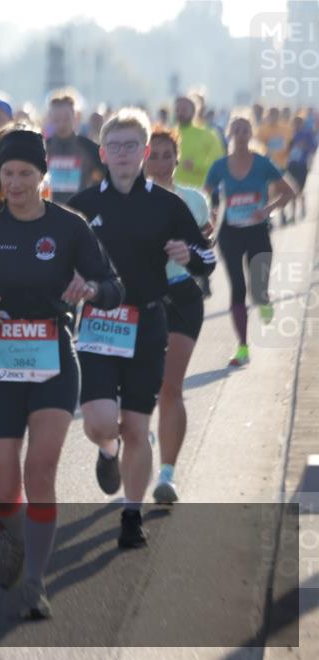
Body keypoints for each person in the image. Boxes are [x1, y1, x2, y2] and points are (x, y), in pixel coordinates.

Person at [0, 125, 124, 618]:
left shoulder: (69, 227)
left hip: (53, 361)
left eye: (26, 173)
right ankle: (7, 529)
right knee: (4, 487)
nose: (16, 182)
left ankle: (37, 583)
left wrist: (91, 290)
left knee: (39, 471)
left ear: (42, 176)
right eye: (8, 173)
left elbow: (113, 286)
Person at [68, 109, 215, 549]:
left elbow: (207, 258)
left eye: (133, 146)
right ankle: (106, 451)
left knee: (135, 425)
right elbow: (56, 260)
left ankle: (131, 516)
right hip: (97, 322)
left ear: (146, 152)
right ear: (103, 153)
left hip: (148, 320)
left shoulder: (167, 205)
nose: (124, 154)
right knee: (99, 422)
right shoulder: (84, 205)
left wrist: (189, 254)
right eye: (115, 146)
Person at [143, 127, 212, 504]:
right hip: (140, 298)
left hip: (183, 296)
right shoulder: (126, 202)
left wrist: (195, 252)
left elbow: (206, 254)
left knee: (171, 386)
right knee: (142, 388)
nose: (160, 163)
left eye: (167, 155)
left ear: (177, 158)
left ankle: (167, 474)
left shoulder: (194, 200)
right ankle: (138, 432)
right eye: (153, 155)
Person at [205, 113, 295, 366]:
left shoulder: (263, 163)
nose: (241, 135)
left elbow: (289, 191)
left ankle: (264, 299)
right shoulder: (219, 166)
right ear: (230, 134)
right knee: (238, 288)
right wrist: (212, 211)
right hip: (230, 233)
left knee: (258, 287)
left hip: (257, 231)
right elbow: (207, 194)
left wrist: (266, 210)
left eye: (246, 130)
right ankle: (242, 347)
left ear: (251, 134)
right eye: (237, 130)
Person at [44, 88, 103, 204]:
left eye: (66, 119)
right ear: (50, 118)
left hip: (81, 211)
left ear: (76, 117)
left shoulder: (89, 148)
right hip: (49, 210)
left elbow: (105, 179)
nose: (61, 124)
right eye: (57, 119)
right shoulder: (42, 147)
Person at [173, 94, 225, 190]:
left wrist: (196, 166)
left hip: (199, 192)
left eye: (184, 110)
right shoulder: (169, 134)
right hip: (173, 192)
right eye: (177, 110)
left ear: (194, 112)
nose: (180, 113)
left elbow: (219, 163)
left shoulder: (208, 134)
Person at [285, 114, 316, 221]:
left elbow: (313, 148)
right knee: (292, 190)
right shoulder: (289, 134)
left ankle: (302, 208)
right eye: (295, 123)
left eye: (299, 123)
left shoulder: (307, 134)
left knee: (300, 190)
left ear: (302, 124)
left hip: (302, 165)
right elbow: (283, 149)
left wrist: (304, 146)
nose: (297, 125)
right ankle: (292, 214)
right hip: (290, 166)